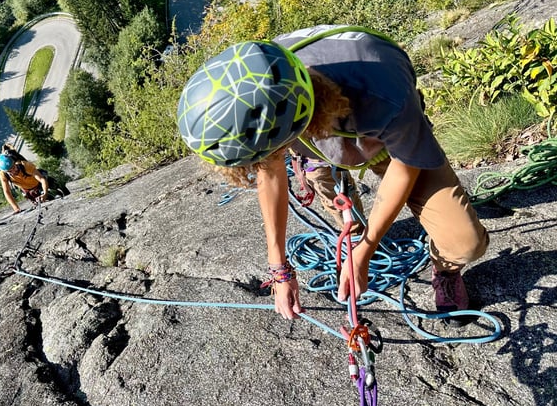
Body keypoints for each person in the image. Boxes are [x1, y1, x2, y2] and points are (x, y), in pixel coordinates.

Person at [177, 25, 489, 320]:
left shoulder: (383, 91)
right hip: (309, 138)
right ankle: (350, 235)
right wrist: (279, 268)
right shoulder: (265, 90)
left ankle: (444, 269)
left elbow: (405, 167)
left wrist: (366, 250)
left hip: (382, 138)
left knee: (466, 242)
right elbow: (271, 172)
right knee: (325, 180)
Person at [0, 143, 50, 213]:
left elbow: (42, 179)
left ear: (14, 162)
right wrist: (16, 208)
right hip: (28, 192)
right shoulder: (3, 174)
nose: (14, 171)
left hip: (39, 185)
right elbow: (7, 192)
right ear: (5, 171)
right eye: (10, 171)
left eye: (13, 167)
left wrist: (45, 193)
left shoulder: (24, 165)